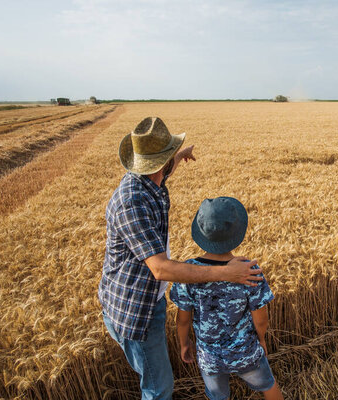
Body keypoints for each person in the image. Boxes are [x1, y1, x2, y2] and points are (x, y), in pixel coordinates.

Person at [99, 117, 263, 400]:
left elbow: (162, 169)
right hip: (137, 309)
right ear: (158, 164)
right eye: (168, 158)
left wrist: (179, 155)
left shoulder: (150, 180)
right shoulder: (132, 203)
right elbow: (160, 269)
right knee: (159, 388)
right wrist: (225, 272)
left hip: (149, 299)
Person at [171, 197, 283, 400]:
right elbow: (261, 318)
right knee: (268, 385)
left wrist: (184, 343)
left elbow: (183, 319)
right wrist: (262, 340)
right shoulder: (249, 270)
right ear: (236, 233)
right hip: (246, 351)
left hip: (209, 357)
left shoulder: (187, 272)